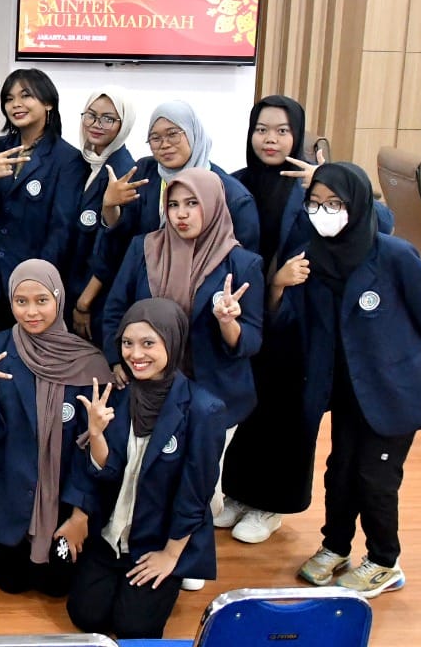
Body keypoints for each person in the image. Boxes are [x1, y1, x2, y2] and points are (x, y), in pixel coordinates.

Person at [275, 163, 421, 598]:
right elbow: (289, 324)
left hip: (393, 386)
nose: (323, 212)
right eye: (315, 204)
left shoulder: (392, 254)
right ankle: (335, 546)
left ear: (355, 205)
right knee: (340, 471)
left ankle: (384, 561)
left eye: (334, 203)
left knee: (375, 477)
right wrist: (279, 284)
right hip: (346, 387)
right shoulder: (308, 258)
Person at [100, 169, 263, 550]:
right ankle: (143, 544)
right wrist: (116, 360)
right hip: (149, 384)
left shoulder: (242, 263)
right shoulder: (144, 248)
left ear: (213, 205)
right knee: (149, 471)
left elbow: (251, 340)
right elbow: (116, 309)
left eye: (192, 204)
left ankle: (187, 554)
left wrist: (228, 323)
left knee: (201, 480)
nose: (181, 214)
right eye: (173, 205)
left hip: (212, 391)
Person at [66, 299, 225, 641]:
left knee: (135, 628)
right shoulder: (117, 395)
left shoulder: (203, 409)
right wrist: (96, 434)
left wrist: (170, 555)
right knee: (86, 616)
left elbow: (195, 494)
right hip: (111, 533)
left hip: (157, 538)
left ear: (173, 341)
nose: (135, 354)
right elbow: (106, 473)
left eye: (148, 343)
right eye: (127, 343)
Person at [0, 260, 112, 597]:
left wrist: (80, 514)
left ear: (58, 298)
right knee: (11, 584)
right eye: (21, 301)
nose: (31, 312)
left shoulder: (89, 363)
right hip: (10, 496)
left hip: (64, 501)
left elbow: (93, 451)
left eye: (42, 300)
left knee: (57, 587)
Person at [217, 96, 315, 543]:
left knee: (284, 413)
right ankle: (239, 494)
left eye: (281, 131)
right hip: (247, 313)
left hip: (295, 321)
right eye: (261, 129)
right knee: (248, 405)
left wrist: (323, 182)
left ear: (297, 135)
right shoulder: (237, 183)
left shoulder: (310, 187)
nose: (269, 139)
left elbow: (379, 219)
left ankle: (272, 505)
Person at [95, 101, 260, 295]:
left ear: (192, 132)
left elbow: (243, 267)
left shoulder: (232, 196)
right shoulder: (145, 175)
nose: (164, 145)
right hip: (147, 292)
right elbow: (122, 244)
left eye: (173, 134)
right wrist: (109, 207)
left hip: (206, 298)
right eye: (155, 138)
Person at [0, 69, 81, 343]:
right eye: (9, 99)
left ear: (48, 103)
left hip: (33, 287)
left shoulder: (67, 159)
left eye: (25, 96)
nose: (15, 105)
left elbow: (61, 230)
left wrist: (36, 281)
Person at [65, 87, 136, 344]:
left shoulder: (124, 173)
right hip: (68, 287)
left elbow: (115, 248)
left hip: (95, 299)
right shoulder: (82, 163)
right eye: (91, 115)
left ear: (123, 125)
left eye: (108, 119)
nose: (97, 124)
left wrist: (84, 303)